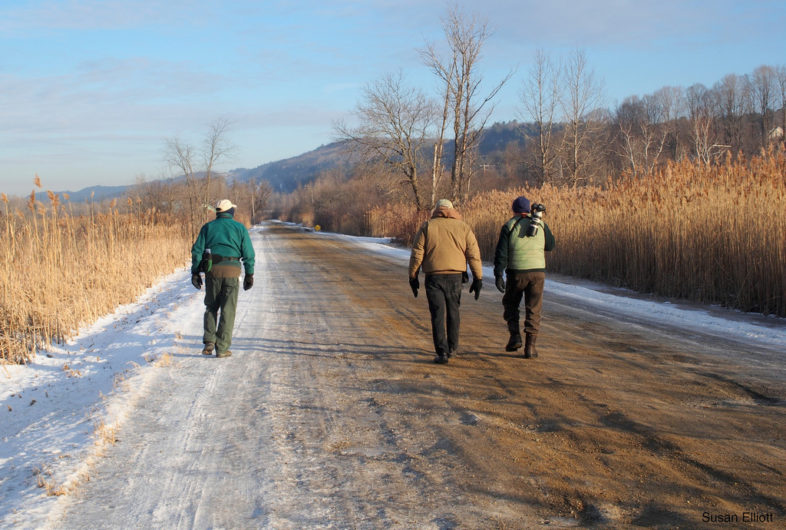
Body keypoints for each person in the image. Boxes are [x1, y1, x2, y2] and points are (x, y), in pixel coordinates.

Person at [408, 199, 483, 364]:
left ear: (436, 210)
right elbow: (473, 253)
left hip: (434, 276)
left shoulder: (428, 226)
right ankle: (453, 348)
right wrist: (478, 277)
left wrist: (412, 276)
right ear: (452, 210)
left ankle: (442, 352)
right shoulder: (463, 227)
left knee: (437, 314)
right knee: (453, 312)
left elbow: (417, 253)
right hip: (455, 276)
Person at [190, 199, 255, 358]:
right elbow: (248, 253)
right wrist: (249, 274)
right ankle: (222, 348)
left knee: (211, 306)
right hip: (232, 271)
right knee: (228, 310)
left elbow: (197, 251)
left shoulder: (207, 227)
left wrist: (195, 272)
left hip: (212, 271)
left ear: (218, 212)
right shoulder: (239, 228)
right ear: (230, 212)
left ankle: (209, 342)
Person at [493, 195, 555, 358]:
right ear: (529, 210)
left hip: (517, 272)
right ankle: (530, 348)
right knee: (533, 309)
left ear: (514, 210)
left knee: (511, 304)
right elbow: (551, 245)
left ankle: (515, 337)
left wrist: (498, 273)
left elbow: (502, 253)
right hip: (538, 272)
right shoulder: (540, 224)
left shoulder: (510, 225)